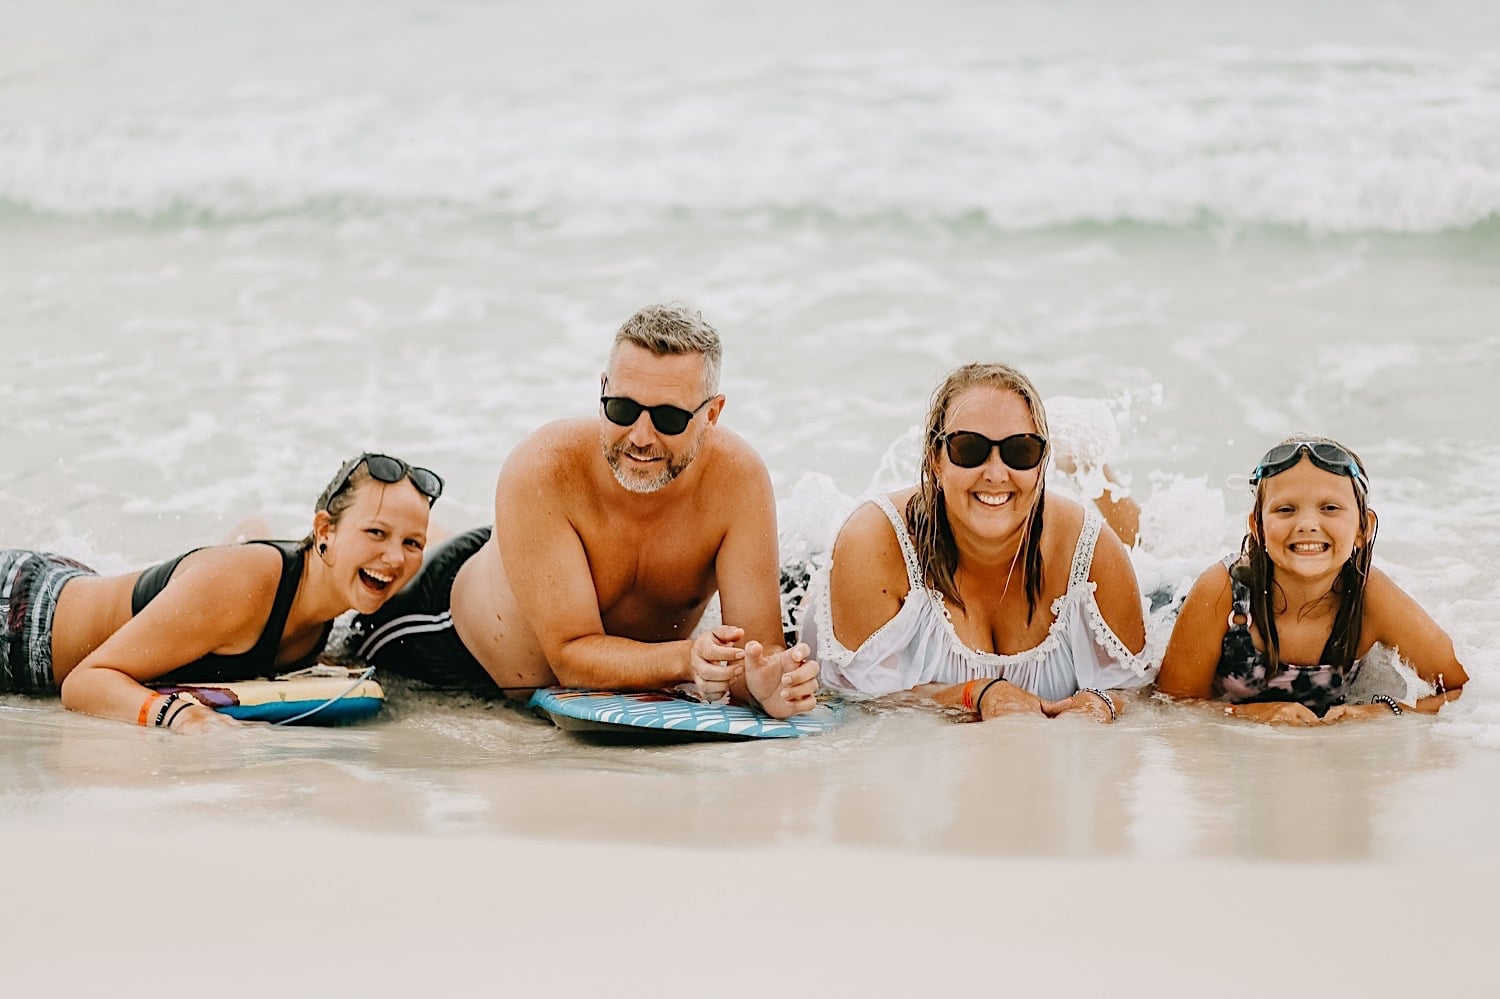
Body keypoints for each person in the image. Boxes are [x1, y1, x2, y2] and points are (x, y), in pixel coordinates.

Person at [354, 304, 820, 718]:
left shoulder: (739, 481)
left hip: (544, 571)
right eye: (621, 408)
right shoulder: (543, 467)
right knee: (345, 649)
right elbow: (570, 658)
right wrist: (686, 659)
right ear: (602, 388)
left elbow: (756, 653)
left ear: (712, 415)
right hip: (447, 639)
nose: (640, 436)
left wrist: (766, 683)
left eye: (669, 418)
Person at [799, 362, 1151, 724]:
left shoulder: (1091, 553)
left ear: (1041, 464)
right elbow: (861, 702)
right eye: (969, 449)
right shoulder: (874, 542)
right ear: (936, 460)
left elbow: (1139, 692)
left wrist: (1102, 705)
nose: (996, 474)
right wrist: (975, 693)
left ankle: (1089, 464)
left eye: (1020, 451)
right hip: (805, 597)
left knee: (1150, 549)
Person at [0, 453, 441, 733]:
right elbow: (84, 682)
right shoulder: (241, 585)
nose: (395, 558)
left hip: (72, 584)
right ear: (324, 530)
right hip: (20, 623)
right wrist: (185, 719)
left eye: (412, 543)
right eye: (376, 532)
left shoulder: (322, 610)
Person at [1155, 436, 1467, 724]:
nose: (1306, 524)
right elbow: (1167, 702)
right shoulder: (1224, 592)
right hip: (1166, 608)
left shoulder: (1369, 596)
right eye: (1285, 509)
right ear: (1258, 526)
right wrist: (1246, 713)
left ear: (1363, 528)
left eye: (1329, 508)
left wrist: (1380, 711)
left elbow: (1460, 690)